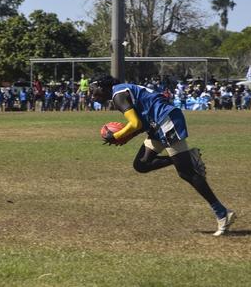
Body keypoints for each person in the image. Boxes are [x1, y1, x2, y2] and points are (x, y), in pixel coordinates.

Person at [89, 74, 236, 236]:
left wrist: (116, 136)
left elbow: (136, 124)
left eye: (92, 89)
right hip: (157, 124)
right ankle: (188, 158)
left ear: (101, 86)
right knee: (141, 164)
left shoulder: (118, 95)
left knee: (187, 173)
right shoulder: (120, 92)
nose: (91, 94)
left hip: (165, 120)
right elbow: (138, 124)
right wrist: (126, 137)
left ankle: (222, 213)